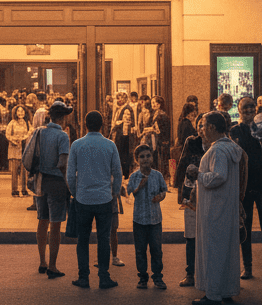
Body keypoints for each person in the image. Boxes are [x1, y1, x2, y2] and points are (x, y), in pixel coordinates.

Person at [192, 111, 247, 305]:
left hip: (214, 208)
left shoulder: (217, 151)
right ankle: (226, 289)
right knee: (226, 250)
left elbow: (219, 176)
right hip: (226, 206)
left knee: (213, 250)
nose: (201, 129)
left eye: (203, 125)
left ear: (213, 128)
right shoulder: (231, 148)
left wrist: (198, 175)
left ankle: (213, 293)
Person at [66, 111, 123, 289]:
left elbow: (70, 175)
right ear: (102, 125)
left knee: (82, 239)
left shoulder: (76, 145)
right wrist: (113, 192)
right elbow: (118, 173)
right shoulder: (110, 145)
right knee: (103, 238)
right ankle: (104, 276)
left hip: (83, 199)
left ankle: (83, 277)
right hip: (104, 198)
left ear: (85, 125)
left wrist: (76, 193)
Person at [33, 101, 73, 280]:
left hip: (41, 180)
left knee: (42, 220)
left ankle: (42, 262)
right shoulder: (62, 136)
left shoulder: (39, 132)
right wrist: (69, 185)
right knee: (56, 224)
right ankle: (53, 265)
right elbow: (63, 163)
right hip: (56, 181)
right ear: (63, 117)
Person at [230, 97, 262, 281]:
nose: (248, 110)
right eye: (244, 107)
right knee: (244, 227)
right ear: (238, 110)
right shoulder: (234, 130)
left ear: (256, 110)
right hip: (243, 186)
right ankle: (248, 267)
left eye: (251, 107)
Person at [127, 144, 167, 290]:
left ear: (152, 157)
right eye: (142, 157)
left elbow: (164, 191)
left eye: (148, 156)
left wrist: (160, 196)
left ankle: (158, 277)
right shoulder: (133, 176)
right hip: (139, 219)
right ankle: (142, 277)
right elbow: (130, 196)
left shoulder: (158, 175)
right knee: (140, 250)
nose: (145, 159)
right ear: (137, 160)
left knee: (156, 249)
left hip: (155, 219)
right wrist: (140, 186)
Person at [178, 119, 205, 288]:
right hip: (190, 195)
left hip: (208, 194)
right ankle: (190, 273)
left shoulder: (215, 146)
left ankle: (205, 273)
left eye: (205, 125)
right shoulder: (191, 141)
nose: (202, 128)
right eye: (200, 124)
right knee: (191, 236)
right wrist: (181, 195)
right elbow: (182, 165)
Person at [5, 105, 31, 198]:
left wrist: (24, 138)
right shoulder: (12, 123)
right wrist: (14, 140)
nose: (21, 113)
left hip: (24, 149)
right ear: (15, 113)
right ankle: (14, 190)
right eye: (19, 111)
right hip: (14, 149)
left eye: (22, 111)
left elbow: (30, 132)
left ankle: (24, 190)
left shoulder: (27, 123)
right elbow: (7, 135)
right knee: (15, 172)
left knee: (24, 172)